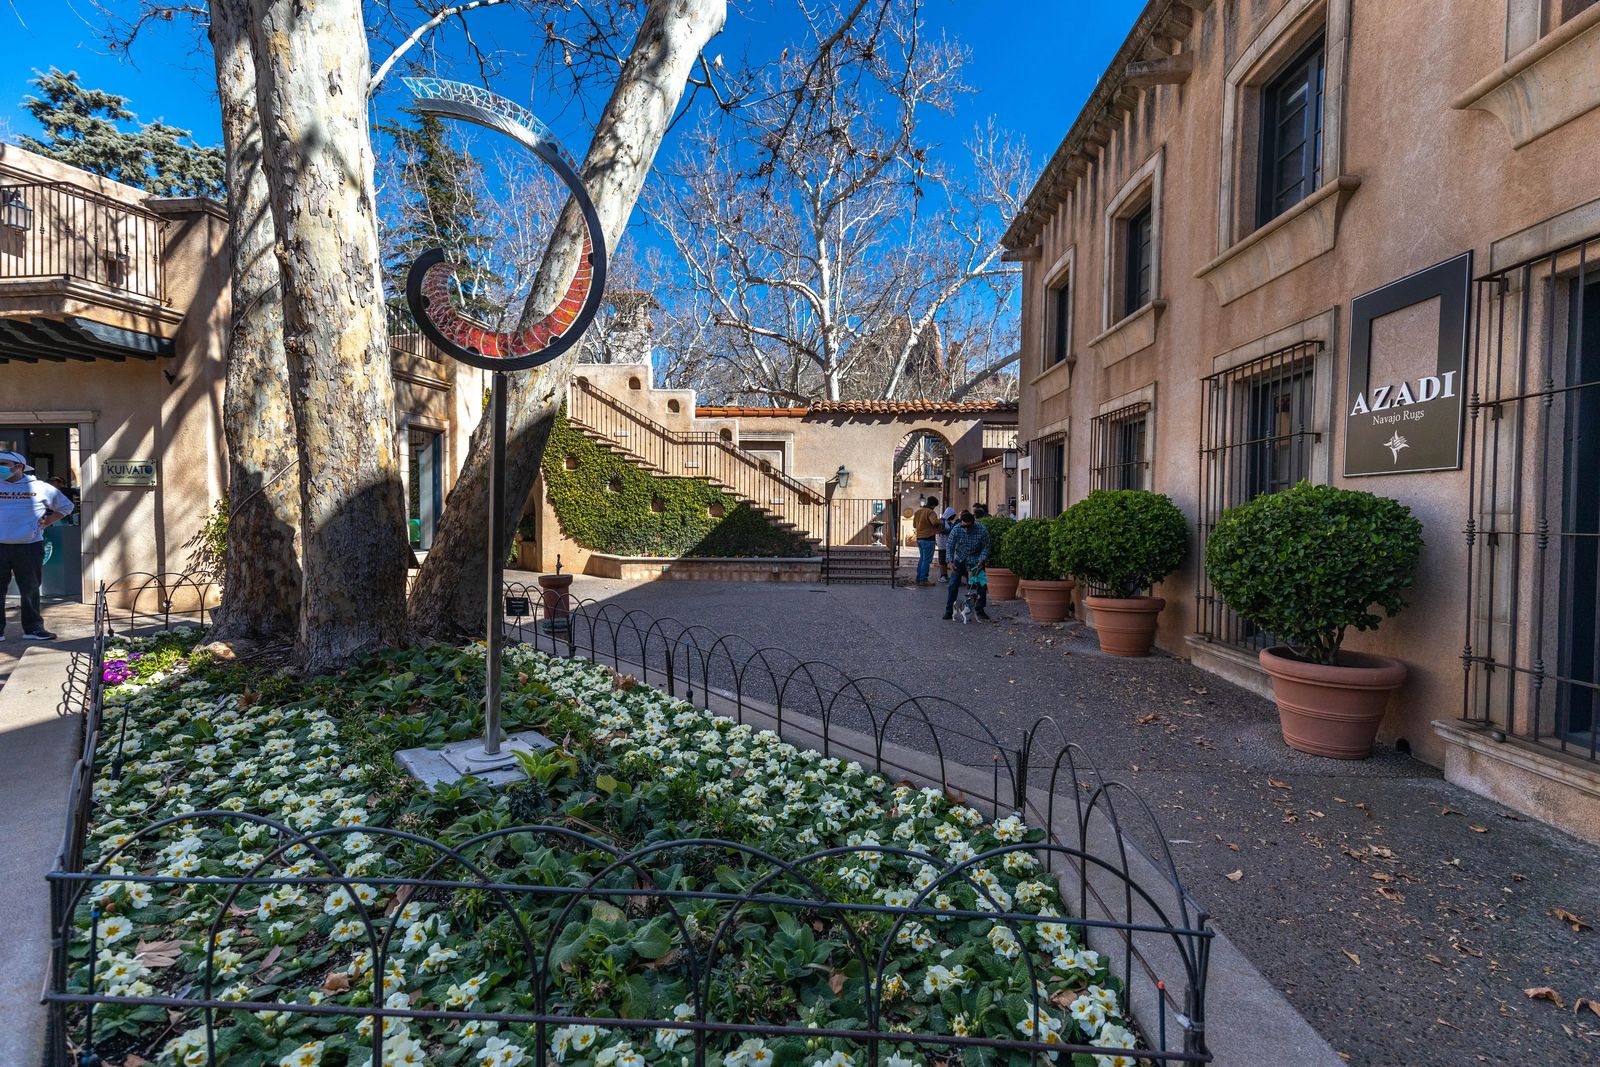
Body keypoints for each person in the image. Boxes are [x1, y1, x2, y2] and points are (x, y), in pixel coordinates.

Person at [0, 451, 75, 641]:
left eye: (3, 463)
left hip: (29, 546)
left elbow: (66, 507)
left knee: (30, 589)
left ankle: (33, 629)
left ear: (19, 467)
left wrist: (48, 521)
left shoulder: (41, 488)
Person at [943, 510, 990, 621]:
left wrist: (982, 558)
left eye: (968, 527)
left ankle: (980, 610)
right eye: (964, 526)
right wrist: (949, 561)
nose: (966, 529)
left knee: (982, 585)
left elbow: (986, 546)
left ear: (973, 523)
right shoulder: (957, 529)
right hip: (960, 558)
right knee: (953, 584)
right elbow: (950, 545)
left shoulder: (981, 529)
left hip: (976, 559)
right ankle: (949, 610)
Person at [910, 496, 941, 585]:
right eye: (935, 506)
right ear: (933, 505)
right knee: (926, 560)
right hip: (928, 538)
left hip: (919, 538)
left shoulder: (918, 512)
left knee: (922, 559)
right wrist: (941, 522)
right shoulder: (931, 512)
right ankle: (923, 579)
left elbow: (914, 525)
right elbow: (934, 522)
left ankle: (918, 578)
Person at [935, 503, 956, 580]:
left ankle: (946, 575)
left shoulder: (949, 522)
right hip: (942, 544)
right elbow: (939, 530)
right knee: (942, 561)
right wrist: (950, 531)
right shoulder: (941, 521)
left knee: (949, 560)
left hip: (949, 544)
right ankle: (943, 575)